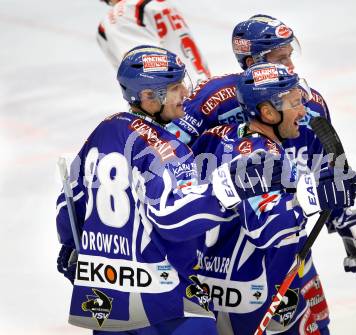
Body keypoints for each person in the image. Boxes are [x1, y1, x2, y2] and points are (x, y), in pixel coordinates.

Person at [167, 14, 356, 334]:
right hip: (223, 252)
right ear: (252, 60)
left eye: (289, 55)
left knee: (315, 324)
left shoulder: (305, 103)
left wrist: (347, 218)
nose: (291, 66)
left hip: (282, 243)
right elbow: (167, 152)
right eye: (280, 58)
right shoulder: (212, 100)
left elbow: (329, 165)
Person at [56, 46, 287, 335]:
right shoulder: (168, 149)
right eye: (175, 87)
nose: (186, 95)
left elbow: (68, 208)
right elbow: (171, 218)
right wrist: (230, 187)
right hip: (165, 302)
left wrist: (72, 248)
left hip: (104, 301)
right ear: (148, 97)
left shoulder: (104, 130)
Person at [190, 62, 356, 335]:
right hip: (252, 291)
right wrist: (317, 195)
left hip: (207, 283)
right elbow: (269, 231)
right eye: (294, 103)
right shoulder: (266, 157)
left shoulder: (215, 137)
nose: (303, 111)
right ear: (268, 113)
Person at [97, 0, 210, 84]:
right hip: (206, 89)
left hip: (180, 102)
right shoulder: (160, 3)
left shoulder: (122, 14)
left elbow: (142, 67)